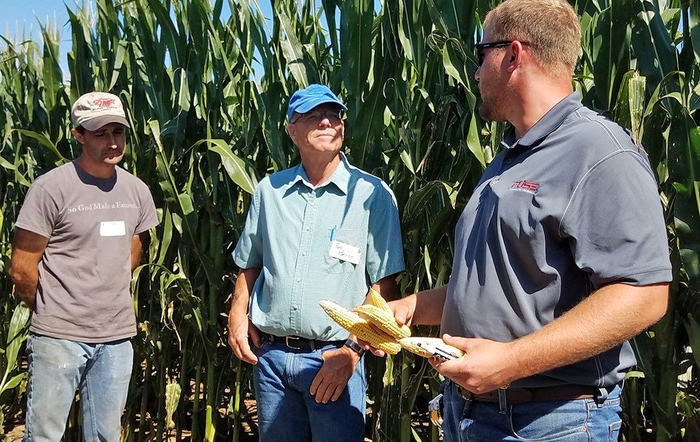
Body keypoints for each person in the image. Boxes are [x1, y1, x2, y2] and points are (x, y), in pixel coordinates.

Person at [380, 0, 672, 440]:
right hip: (470, 413)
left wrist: (510, 362)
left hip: (552, 422)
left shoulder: (598, 152)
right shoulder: (508, 158)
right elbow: (504, 284)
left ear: (514, 55)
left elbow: (645, 293)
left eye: (481, 56)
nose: (476, 73)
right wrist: (409, 308)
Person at [228, 84, 406, 441]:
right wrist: (237, 312)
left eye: (334, 115)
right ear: (292, 130)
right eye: (314, 116)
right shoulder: (270, 191)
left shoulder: (372, 195)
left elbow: (384, 285)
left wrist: (352, 351)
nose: (328, 122)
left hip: (333, 359)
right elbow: (250, 262)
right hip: (272, 359)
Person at [10, 91, 159, 442]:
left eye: (118, 132)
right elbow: (21, 268)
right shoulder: (50, 189)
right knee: (45, 434)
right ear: (78, 134)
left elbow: (132, 251)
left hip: (117, 336)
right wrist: (56, 308)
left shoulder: (137, 191)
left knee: (106, 435)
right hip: (59, 336)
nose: (112, 142)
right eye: (100, 133)